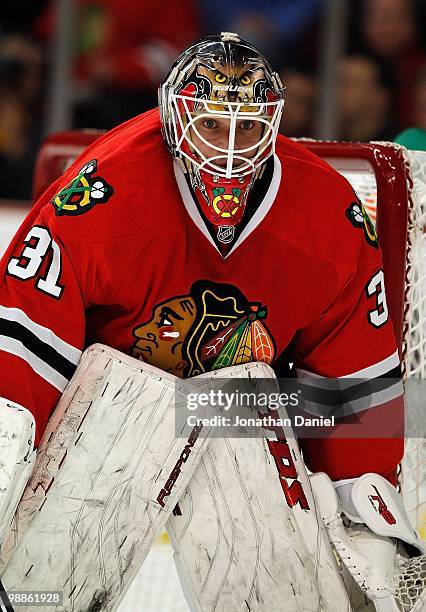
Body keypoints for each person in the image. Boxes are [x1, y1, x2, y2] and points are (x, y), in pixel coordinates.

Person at [0, 33, 403, 484]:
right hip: (98, 417)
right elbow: (22, 355)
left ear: (272, 124)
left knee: (255, 400)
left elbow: (357, 383)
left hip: (241, 427)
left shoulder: (329, 214)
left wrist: (363, 492)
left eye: (247, 126)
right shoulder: (104, 196)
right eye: (211, 124)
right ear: (174, 120)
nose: (229, 149)